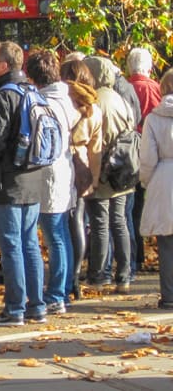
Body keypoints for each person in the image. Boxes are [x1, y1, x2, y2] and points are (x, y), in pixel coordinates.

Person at [0, 41, 47, 326]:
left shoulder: (3, 96)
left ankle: (15, 308)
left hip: (7, 178)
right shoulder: (32, 91)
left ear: (4, 65)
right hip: (33, 174)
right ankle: (37, 304)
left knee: (10, 244)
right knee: (29, 242)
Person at [25, 50, 78, 314]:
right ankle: (63, 289)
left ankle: (57, 292)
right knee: (61, 234)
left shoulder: (44, 102)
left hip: (49, 172)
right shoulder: (65, 99)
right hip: (63, 169)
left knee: (54, 234)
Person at [83, 56, 135, 294]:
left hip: (103, 170)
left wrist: (93, 177)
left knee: (100, 224)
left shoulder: (96, 102)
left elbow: (95, 143)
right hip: (122, 169)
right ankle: (124, 274)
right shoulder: (120, 99)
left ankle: (98, 274)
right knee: (120, 222)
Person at [60, 60, 102, 300]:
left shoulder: (63, 102)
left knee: (61, 224)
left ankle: (65, 277)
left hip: (64, 161)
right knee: (77, 222)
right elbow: (97, 149)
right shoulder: (93, 108)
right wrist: (94, 179)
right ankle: (75, 276)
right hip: (83, 165)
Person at [139, 68, 173, 309]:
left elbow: (148, 157)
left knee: (166, 241)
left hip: (164, 176)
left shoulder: (154, 117)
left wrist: (146, 181)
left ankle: (169, 294)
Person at [126, 47, 161, 276]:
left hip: (129, 154)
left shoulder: (126, 89)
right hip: (155, 154)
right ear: (149, 67)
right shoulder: (157, 88)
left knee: (132, 208)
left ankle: (135, 257)